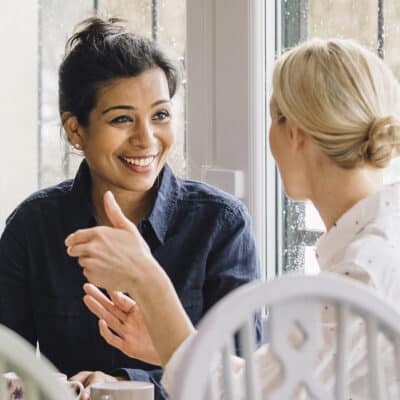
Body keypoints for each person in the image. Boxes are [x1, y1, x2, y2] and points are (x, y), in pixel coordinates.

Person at [68, 37, 400, 398]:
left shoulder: (360, 275)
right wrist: (164, 342)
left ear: (294, 133)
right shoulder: (378, 248)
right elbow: (273, 380)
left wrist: (146, 279)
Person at [0, 17, 261, 400]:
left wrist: (129, 385)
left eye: (160, 115)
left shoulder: (220, 225)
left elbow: (248, 375)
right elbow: (7, 364)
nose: (146, 138)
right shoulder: (33, 226)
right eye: (122, 119)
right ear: (75, 130)